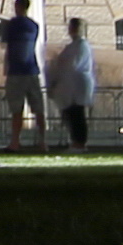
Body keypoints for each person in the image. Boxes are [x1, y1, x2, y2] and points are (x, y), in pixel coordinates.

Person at [45, 14, 99, 149]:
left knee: (77, 115)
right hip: (71, 86)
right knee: (72, 115)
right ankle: (76, 141)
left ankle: (79, 142)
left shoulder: (81, 46)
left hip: (76, 86)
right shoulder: (74, 46)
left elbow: (70, 65)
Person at [0, 0, 45, 146]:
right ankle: (43, 142)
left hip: (16, 72)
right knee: (38, 109)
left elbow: (4, 44)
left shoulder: (11, 24)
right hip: (32, 69)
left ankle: (15, 142)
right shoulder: (34, 26)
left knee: (17, 110)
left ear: (17, 6)